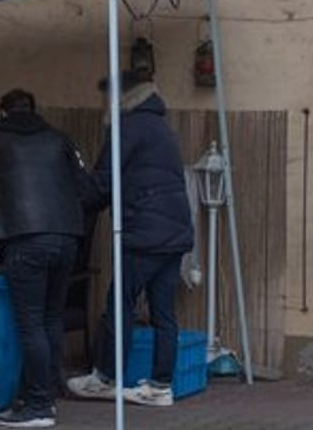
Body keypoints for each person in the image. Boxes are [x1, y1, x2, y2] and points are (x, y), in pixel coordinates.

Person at [0, 89, 91, 429]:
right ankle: (48, 391)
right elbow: (87, 186)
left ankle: (38, 406)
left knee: (30, 324)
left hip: (23, 239)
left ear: (2, 112)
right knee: (51, 319)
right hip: (67, 239)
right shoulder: (62, 139)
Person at [66, 70, 194, 408]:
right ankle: (160, 385)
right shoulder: (160, 126)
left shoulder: (126, 127)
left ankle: (106, 378)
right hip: (175, 231)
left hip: (144, 233)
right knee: (164, 313)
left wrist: (73, 185)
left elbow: (104, 183)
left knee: (118, 307)